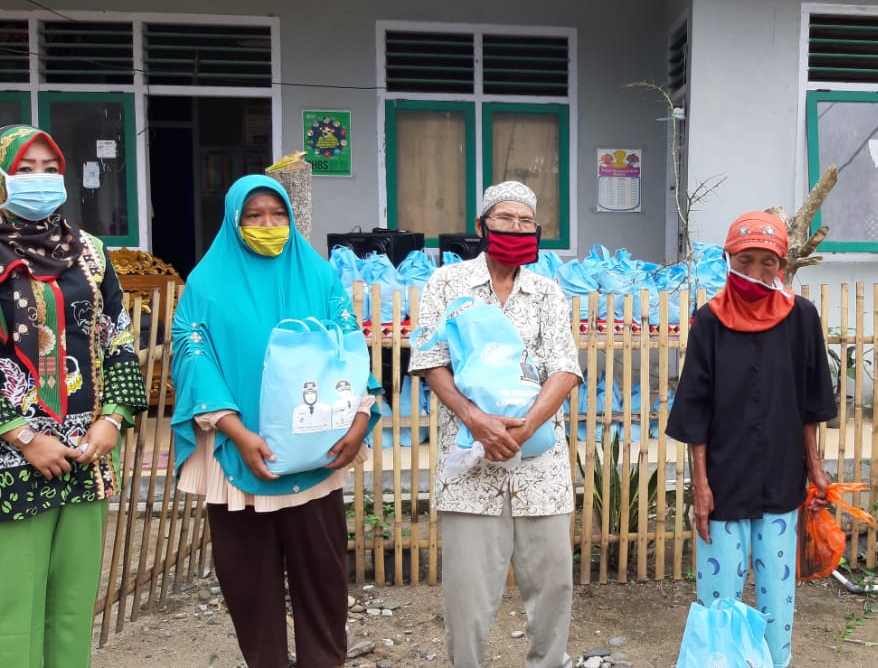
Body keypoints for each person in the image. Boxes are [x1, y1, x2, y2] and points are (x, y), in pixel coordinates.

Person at [171, 175, 379, 668]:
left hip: (317, 456)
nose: (269, 224)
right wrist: (237, 433)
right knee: (250, 589)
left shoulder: (319, 276)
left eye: (277, 214)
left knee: (324, 584)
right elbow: (192, 357)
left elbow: (350, 350)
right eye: (254, 215)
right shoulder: (206, 284)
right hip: (242, 456)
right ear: (233, 221)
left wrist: (359, 419)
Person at [409, 181, 582, 668]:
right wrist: (477, 420)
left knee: (552, 587)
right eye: (505, 218)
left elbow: (565, 368)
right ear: (482, 225)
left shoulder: (547, 291)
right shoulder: (447, 284)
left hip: (540, 465)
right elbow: (429, 360)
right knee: (467, 597)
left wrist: (524, 428)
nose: (517, 228)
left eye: (527, 221)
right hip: (470, 463)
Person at [0, 125, 148, 667]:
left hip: (85, 451)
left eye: (48, 168)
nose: (38, 180)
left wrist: (112, 419)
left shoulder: (89, 251)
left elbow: (118, 335)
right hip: (11, 461)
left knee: (71, 607)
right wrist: (20, 435)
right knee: (11, 611)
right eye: (24, 169)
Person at [665, 210, 837, 668]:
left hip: (782, 482)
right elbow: (694, 409)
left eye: (767, 262)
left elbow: (810, 402)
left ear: (782, 265)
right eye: (745, 261)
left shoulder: (802, 318)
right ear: (727, 259)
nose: (756, 273)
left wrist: (815, 467)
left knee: (778, 604)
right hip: (722, 483)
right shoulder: (709, 322)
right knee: (719, 601)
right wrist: (700, 487)